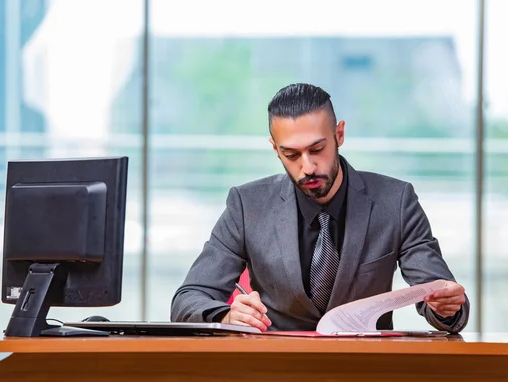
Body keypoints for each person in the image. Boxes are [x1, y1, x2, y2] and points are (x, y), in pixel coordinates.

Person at [170, 83, 470, 333]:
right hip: (274, 372)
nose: (307, 167)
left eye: (317, 149)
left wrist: (445, 307)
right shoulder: (247, 205)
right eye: (291, 154)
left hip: (368, 372)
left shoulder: (396, 202)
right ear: (275, 149)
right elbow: (187, 300)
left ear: (339, 135)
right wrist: (226, 316)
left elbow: (443, 296)